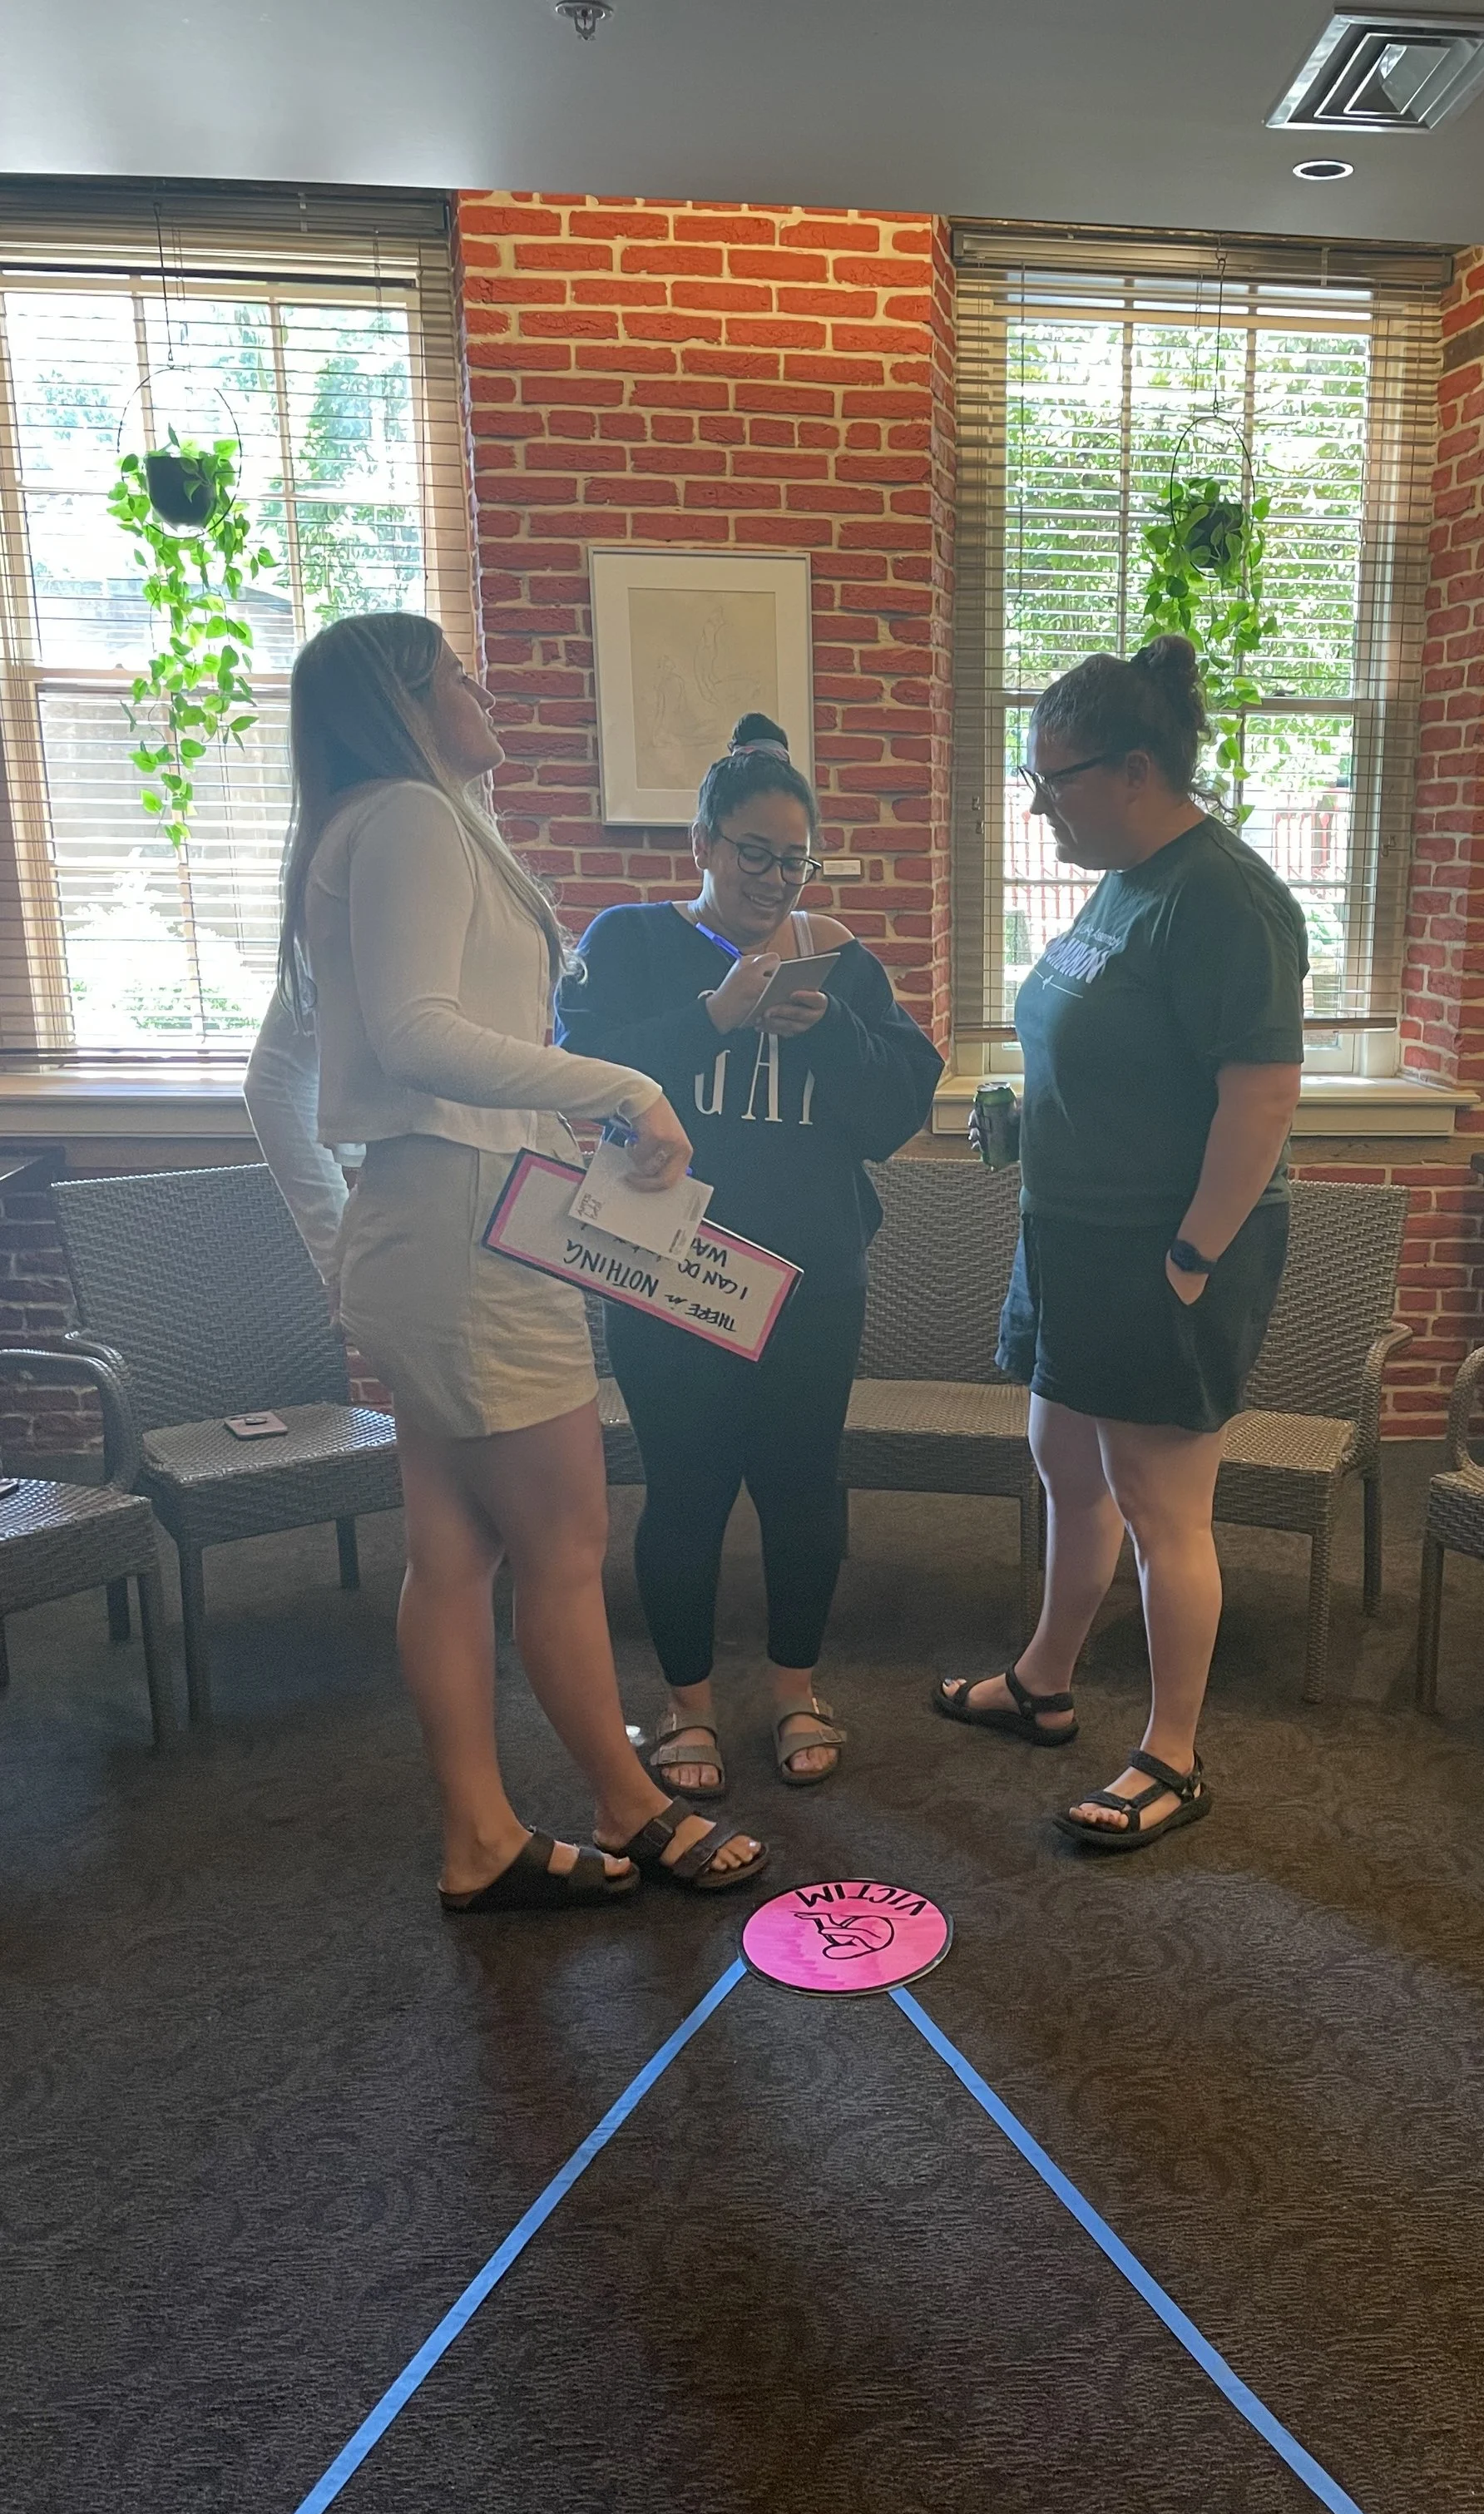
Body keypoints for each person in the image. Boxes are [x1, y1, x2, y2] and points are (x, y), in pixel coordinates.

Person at [245, 611, 767, 1912]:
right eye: (459, 675)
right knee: (564, 1543)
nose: (486, 690)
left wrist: (341, 1248)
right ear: (405, 701)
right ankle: (627, 1801)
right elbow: (420, 1036)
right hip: (469, 1224)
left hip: (430, 1218)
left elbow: (278, 1082)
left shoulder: (352, 829)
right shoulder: (412, 822)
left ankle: (480, 1834)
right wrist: (628, 1086)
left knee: (451, 1550)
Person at [934, 637, 1306, 1846]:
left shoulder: (1227, 898)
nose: (1040, 806)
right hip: (1072, 1238)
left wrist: (1193, 1258)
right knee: (1066, 1465)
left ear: (1134, 769)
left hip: (1166, 1251)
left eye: (1056, 781)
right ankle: (1046, 1679)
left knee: (1162, 1504)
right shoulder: (1121, 878)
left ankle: (1172, 1754)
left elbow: (1259, 1100)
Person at [558, 714, 942, 1799]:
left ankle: (793, 1691)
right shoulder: (631, 943)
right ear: (705, 845)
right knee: (684, 1486)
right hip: (671, 1263)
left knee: (801, 1485)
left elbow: (891, 1114)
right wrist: (711, 1016)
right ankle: (685, 1710)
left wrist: (828, 1029)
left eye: (796, 859)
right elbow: (576, 1071)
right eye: (755, 854)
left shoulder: (841, 961)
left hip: (814, 1273)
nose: (777, 879)